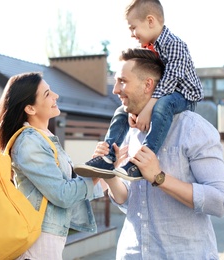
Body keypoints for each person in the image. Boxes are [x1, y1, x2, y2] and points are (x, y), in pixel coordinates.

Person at [94, 48, 224, 259]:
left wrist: (159, 178)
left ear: (148, 84)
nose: (115, 90)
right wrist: (111, 176)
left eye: (122, 81)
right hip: (133, 253)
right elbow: (130, 203)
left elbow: (220, 202)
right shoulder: (130, 131)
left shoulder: (194, 129)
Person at [74, 0, 203, 181]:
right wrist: (135, 109)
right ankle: (108, 156)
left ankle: (141, 161)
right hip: (162, 93)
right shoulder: (149, 46)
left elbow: (168, 82)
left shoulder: (174, 44)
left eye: (133, 28)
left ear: (150, 21)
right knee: (122, 110)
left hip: (184, 95)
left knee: (163, 105)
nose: (133, 34)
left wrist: (147, 108)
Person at [0, 72, 102, 259]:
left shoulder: (44, 138)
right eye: (47, 93)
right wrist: (97, 172)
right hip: (37, 245)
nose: (55, 96)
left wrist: (107, 167)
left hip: (48, 241)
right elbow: (63, 195)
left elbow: (71, 186)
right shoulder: (29, 142)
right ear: (30, 109)